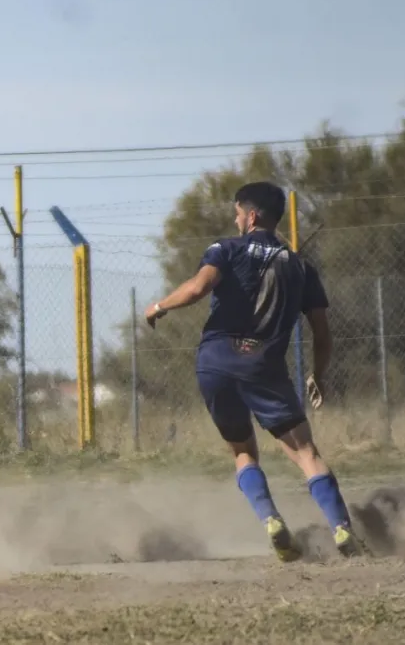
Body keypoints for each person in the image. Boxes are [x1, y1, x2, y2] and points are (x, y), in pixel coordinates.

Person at [144, 181, 362, 561]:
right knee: (306, 452)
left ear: (252, 216)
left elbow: (197, 289)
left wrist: (159, 306)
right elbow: (322, 334)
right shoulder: (300, 267)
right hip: (264, 367)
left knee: (243, 453)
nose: (235, 218)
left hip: (214, 362)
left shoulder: (226, 248)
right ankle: (343, 529)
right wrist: (318, 374)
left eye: (237, 212)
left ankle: (271, 519)